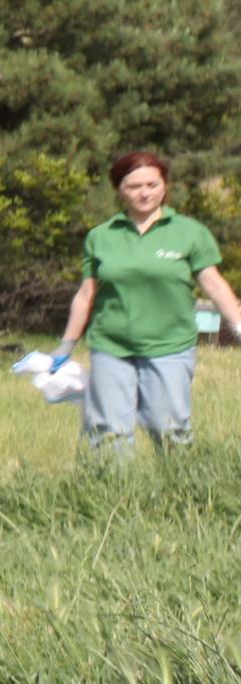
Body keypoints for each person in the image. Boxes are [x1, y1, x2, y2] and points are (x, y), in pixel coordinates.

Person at [55, 149, 241, 457]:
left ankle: (180, 483)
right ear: (119, 191)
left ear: (164, 186)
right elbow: (86, 294)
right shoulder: (101, 236)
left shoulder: (189, 232)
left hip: (169, 345)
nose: (144, 193)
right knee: (108, 431)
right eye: (134, 186)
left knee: (167, 427)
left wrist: (237, 325)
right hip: (111, 345)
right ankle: (111, 486)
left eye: (152, 185)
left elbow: (215, 286)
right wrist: (66, 345)